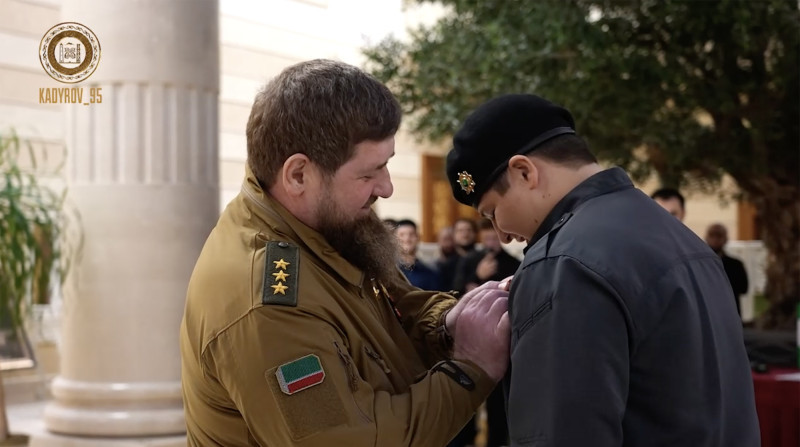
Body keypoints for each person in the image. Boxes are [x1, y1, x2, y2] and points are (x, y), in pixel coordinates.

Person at [179, 59, 511, 447]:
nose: (385, 188)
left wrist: (453, 320)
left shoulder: (321, 230)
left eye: (386, 167)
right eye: (369, 173)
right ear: (299, 175)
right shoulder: (266, 306)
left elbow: (396, 307)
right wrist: (471, 368)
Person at [445, 93, 760, 446]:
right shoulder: (683, 239)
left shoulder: (562, 262)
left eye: (491, 211)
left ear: (524, 172)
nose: (501, 234)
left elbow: (558, 435)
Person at [451, 218, 520, 447]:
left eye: (494, 236)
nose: (491, 241)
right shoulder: (469, 260)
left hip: (501, 340)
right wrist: (478, 276)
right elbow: (455, 295)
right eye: (487, 237)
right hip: (469, 339)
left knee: (498, 401)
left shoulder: (512, 262)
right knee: (466, 395)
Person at [705, 223, 749, 316]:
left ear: (725, 239)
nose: (715, 239)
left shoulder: (736, 264)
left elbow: (744, 288)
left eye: (719, 236)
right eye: (712, 235)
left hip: (730, 312)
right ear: (707, 238)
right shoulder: (700, 265)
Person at [395, 218, 441, 290]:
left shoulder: (429, 273)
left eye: (411, 234)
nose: (407, 239)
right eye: (402, 235)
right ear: (394, 239)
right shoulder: (389, 272)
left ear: (418, 238)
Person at [439, 218, 478, 291]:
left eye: (469, 230)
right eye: (460, 231)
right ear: (453, 235)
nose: (465, 234)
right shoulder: (446, 265)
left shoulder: (483, 259)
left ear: (475, 233)